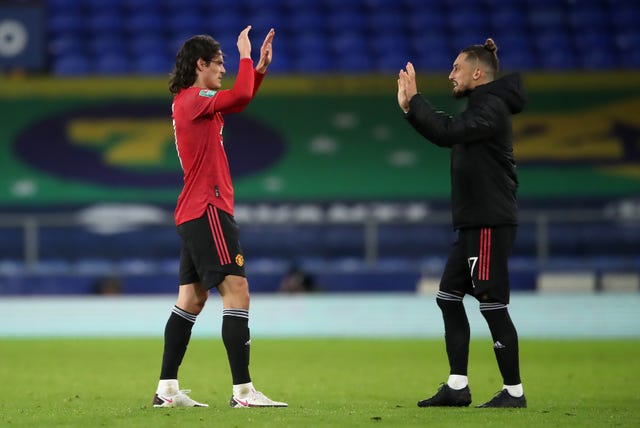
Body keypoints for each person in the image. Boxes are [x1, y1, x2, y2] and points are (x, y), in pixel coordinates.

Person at [152, 26, 287, 409]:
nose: (225, 69)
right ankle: (243, 393)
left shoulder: (190, 101)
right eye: (220, 63)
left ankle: (166, 390)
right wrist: (247, 55)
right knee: (237, 291)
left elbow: (240, 98)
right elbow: (239, 95)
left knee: (192, 300)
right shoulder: (195, 98)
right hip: (208, 209)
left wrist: (257, 70)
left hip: (194, 210)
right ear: (201, 65)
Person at [397, 39, 527, 408]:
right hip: (473, 223)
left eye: (456, 68)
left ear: (477, 72)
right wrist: (411, 111)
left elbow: (449, 131)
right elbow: (446, 134)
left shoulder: (491, 106)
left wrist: (415, 102)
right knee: (448, 297)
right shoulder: (482, 106)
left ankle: (513, 392)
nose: (451, 75)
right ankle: (457, 386)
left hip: (488, 221)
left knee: (491, 302)